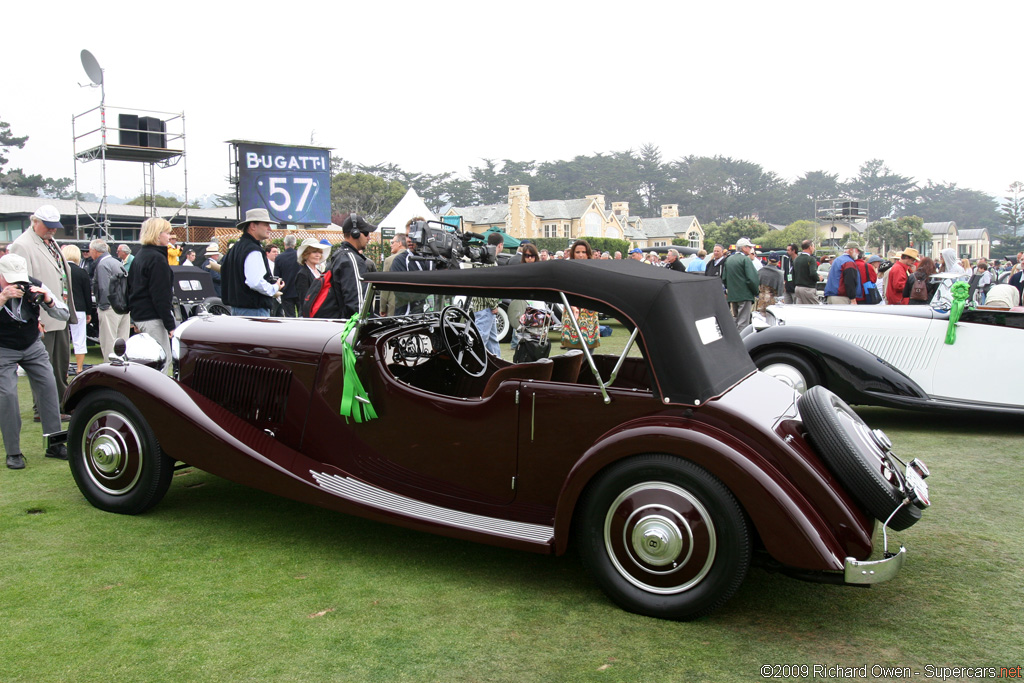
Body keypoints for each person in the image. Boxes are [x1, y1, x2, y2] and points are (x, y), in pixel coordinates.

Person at [0, 253, 70, 468]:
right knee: (8, 395)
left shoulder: (33, 285)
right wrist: (2, 298)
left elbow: (64, 314)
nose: (16, 284)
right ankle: (13, 452)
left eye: (18, 278)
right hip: (3, 348)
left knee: (49, 387)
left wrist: (47, 300)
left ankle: (55, 444)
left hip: (32, 344)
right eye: (10, 279)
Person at [9, 205, 78, 415]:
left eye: (54, 226)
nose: (53, 230)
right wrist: (34, 317)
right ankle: (43, 408)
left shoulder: (49, 241)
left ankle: (60, 403)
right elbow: (23, 284)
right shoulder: (22, 245)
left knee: (60, 364)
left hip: (58, 312)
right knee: (43, 365)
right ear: (35, 221)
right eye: (48, 226)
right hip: (42, 316)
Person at [128, 217, 177, 372]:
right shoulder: (157, 259)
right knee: (162, 361)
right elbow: (160, 295)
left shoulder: (140, 256)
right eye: (167, 233)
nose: (169, 237)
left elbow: (131, 288)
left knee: (146, 363)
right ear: (157, 235)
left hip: (141, 316)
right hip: (153, 317)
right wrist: (171, 325)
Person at [221, 208, 283, 317]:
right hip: (254, 311)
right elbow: (255, 282)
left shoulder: (235, 248)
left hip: (237, 309)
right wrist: (274, 288)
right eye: (266, 224)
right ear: (253, 226)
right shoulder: (252, 249)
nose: (270, 228)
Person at [89, 239, 131, 361]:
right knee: (123, 341)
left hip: (110, 307)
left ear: (95, 251)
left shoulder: (102, 264)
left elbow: (103, 287)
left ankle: (110, 370)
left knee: (109, 341)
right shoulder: (117, 262)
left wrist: (103, 306)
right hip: (123, 306)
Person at [561, 240, 601, 351]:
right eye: (578, 252)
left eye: (583, 252)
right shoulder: (567, 269)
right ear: (573, 253)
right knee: (573, 351)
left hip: (589, 311)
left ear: (588, 253)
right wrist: (572, 307)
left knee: (589, 348)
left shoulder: (594, 270)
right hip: (572, 309)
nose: (580, 255)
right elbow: (563, 290)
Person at [470, 232, 504, 356]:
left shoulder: (481, 257)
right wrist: (494, 304)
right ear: (500, 245)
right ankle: (472, 364)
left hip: (480, 305)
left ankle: (497, 364)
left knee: (492, 340)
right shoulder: (490, 260)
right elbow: (489, 285)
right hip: (486, 307)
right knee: (481, 340)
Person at [62, 244, 93, 375]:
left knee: (63, 339)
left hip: (61, 308)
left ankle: (64, 368)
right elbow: (87, 294)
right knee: (79, 338)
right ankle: (79, 368)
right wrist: (89, 311)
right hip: (79, 308)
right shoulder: (81, 272)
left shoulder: (60, 270)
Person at [721, 237, 760, 331]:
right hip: (745, 295)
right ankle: (743, 342)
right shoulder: (745, 260)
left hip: (732, 295)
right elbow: (752, 279)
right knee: (743, 322)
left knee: (735, 319)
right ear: (744, 248)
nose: (750, 249)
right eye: (749, 247)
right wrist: (755, 292)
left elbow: (724, 278)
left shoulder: (729, 260)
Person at [292, 238, 331, 315]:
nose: (318, 255)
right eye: (314, 252)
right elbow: (305, 300)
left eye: (319, 252)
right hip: (309, 314)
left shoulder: (319, 272)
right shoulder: (302, 274)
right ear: (305, 254)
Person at [379, 232, 407, 316]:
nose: (391, 245)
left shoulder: (390, 260)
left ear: (400, 243)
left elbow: (385, 286)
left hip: (394, 304)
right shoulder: (413, 258)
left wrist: (382, 307)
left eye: (392, 242)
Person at [276, 234, 301, 317]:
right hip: (299, 291)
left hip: (286, 291)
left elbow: (277, 276)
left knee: (290, 317)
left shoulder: (279, 258)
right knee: (302, 316)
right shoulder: (300, 256)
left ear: (284, 243)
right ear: (295, 244)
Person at [792, 240, 820, 305]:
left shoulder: (796, 259)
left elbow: (793, 274)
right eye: (813, 246)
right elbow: (812, 273)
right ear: (810, 247)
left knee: (801, 309)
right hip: (808, 288)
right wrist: (818, 278)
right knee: (816, 309)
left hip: (798, 288)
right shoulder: (810, 259)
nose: (814, 248)